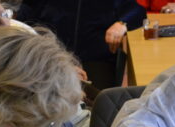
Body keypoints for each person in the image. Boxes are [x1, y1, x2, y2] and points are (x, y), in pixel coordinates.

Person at [17, 0, 147, 90]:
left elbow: (137, 11)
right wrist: (56, 61)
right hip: (50, 59)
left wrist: (122, 24)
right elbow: (23, 24)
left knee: (98, 106)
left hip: (96, 61)